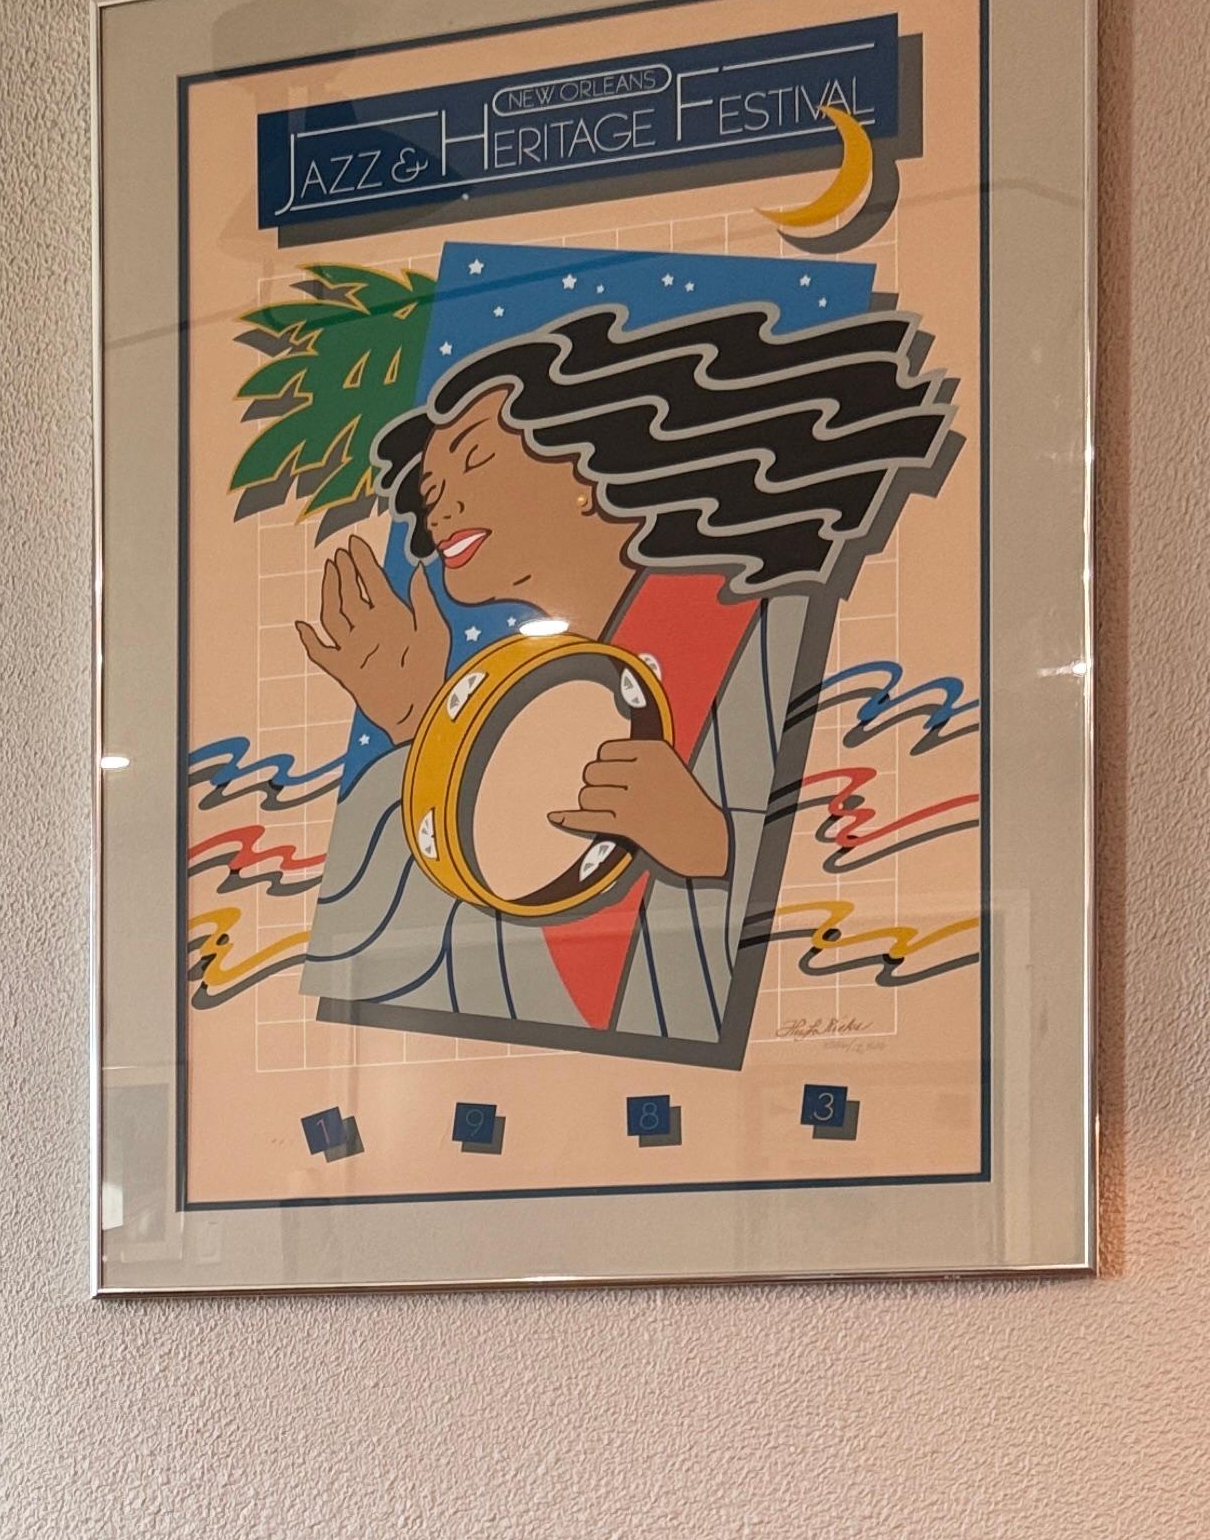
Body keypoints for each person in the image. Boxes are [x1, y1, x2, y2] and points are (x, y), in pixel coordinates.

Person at [296, 296, 957, 1060]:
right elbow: (474, 962)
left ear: (584, 466)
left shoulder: (767, 631)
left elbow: (903, 866)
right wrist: (419, 728)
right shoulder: (537, 688)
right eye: (430, 489)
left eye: (474, 460)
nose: (438, 500)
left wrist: (716, 846)